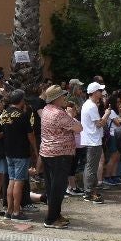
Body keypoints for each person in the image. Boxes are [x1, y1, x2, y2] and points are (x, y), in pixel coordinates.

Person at [40, 85, 84, 229]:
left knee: (51, 185)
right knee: (57, 187)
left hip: (48, 152)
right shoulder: (59, 114)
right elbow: (79, 128)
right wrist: (71, 115)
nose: (65, 98)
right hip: (60, 154)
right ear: (57, 98)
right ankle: (51, 219)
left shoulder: (46, 110)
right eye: (63, 96)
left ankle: (55, 214)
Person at [0, 89, 35, 222]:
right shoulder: (22, 115)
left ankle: (9, 210)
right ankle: (16, 211)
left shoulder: (3, 114)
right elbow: (30, 135)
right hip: (21, 152)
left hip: (8, 151)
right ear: (21, 100)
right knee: (19, 182)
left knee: (11, 180)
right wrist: (36, 150)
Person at [78, 82, 108, 204]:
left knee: (89, 166)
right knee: (91, 167)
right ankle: (89, 193)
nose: (102, 93)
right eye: (100, 91)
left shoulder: (89, 104)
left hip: (91, 139)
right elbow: (99, 124)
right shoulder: (91, 106)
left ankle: (90, 191)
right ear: (95, 92)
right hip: (93, 140)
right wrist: (106, 114)